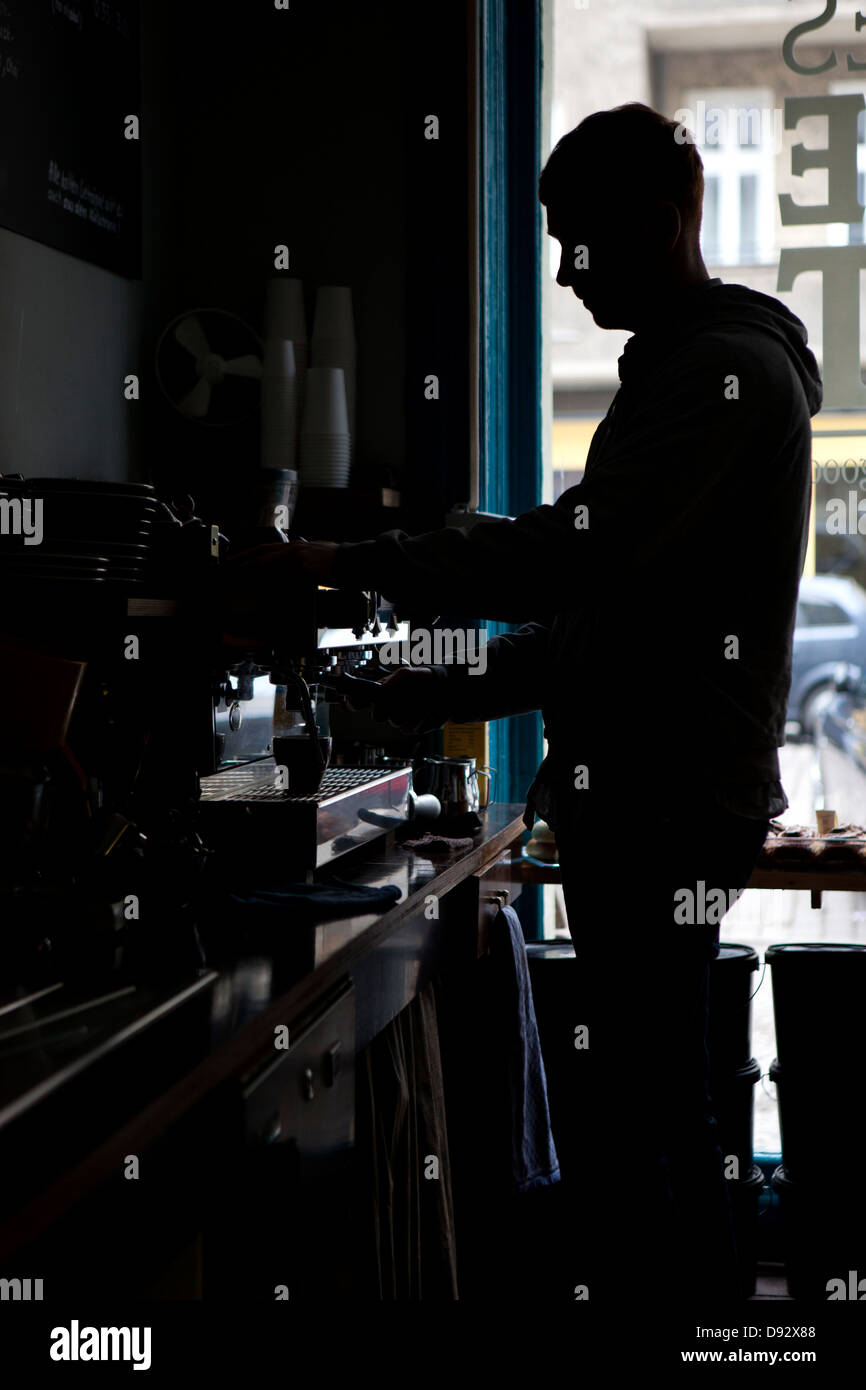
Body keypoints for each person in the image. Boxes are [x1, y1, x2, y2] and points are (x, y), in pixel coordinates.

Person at [225, 103, 822, 1301]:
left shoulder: (718, 379)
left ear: (658, 226)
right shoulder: (688, 370)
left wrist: (342, 560)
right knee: (655, 1112)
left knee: (654, 1124)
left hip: (662, 808)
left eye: (579, 244)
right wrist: (425, 686)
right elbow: (598, 627)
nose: (560, 272)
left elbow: (560, 561)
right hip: (655, 801)